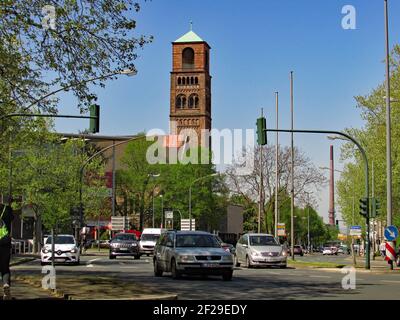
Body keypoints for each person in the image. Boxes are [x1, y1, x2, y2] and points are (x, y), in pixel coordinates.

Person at [0, 202, 14, 300]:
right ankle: (5, 284)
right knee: (5, 266)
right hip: (5, 241)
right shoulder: (7, 209)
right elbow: (11, 220)